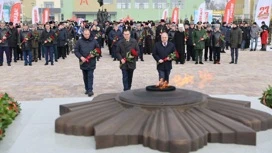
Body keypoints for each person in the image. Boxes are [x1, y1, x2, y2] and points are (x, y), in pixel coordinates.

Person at [74, 29, 100, 96]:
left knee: (90, 75)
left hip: (91, 61)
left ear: (89, 33)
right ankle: (86, 88)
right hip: (83, 62)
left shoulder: (94, 41)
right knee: (85, 76)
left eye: (88, 34)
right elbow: (76, 50)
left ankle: (90, 90)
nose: (86, 36)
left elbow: (98, 49)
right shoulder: (79, 41)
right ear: (83, 34)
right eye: (85, 34)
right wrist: (80, 57)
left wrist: (94, 54)